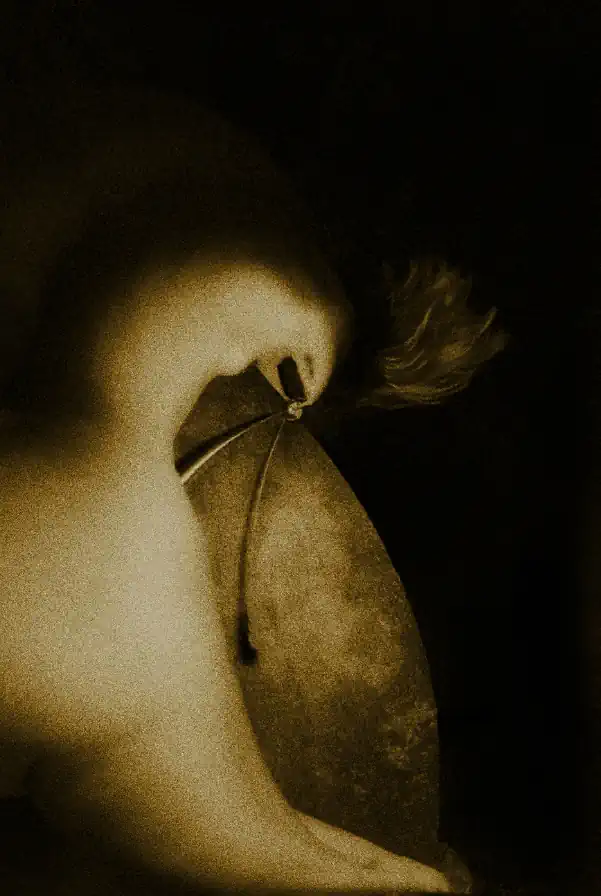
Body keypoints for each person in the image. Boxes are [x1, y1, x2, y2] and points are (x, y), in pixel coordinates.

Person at [0, 80, 506, 894]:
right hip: (80, 552)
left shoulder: (161, 142)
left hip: (77, 529)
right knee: (304, 864)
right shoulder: (294, 297)